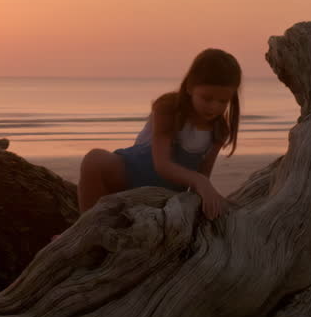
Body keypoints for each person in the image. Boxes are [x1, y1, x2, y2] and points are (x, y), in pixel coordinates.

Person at [78, 48, 241, 220]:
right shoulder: (169, 109)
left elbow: (203, 175)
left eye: (223, 101)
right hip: (131, 172)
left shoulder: (219, 131)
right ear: (190, 87)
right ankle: (83, 226)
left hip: (166, 194)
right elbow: (162, 165)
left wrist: (205, 194)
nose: (214, 107)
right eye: (207, 98)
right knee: (93, 159)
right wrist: (200, 181)